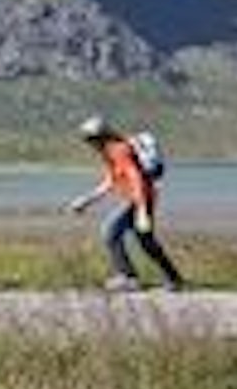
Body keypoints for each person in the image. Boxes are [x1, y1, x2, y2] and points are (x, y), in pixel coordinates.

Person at [67, 115, 184, 292]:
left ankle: (128, 277)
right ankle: (174, 279)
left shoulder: (119, 150)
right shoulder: (108, 153)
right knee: (146, 241)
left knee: (109, 231)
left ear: (98, 137)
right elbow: (110, 182)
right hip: (139, 198)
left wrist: (142, 210)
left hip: (138, 199)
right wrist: (86, 200)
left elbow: (136, 179)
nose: (88, 145)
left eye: (89, 140)